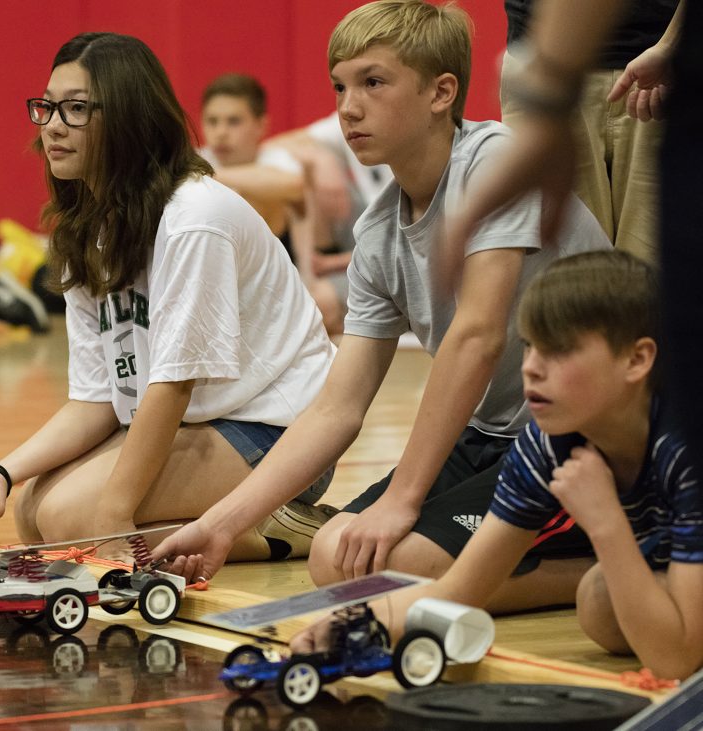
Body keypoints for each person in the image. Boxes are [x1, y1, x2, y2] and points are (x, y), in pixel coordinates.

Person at [154, 0, 609, 595]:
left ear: (441, 92)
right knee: (333, 555)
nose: (348, 107)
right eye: (339, 86)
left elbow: (476, 338)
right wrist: (220, 524)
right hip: (489, 436)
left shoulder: (491, 161)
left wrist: (403, 498)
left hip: (584, 433)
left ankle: (621, 570)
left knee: (401, 567)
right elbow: (336, 409)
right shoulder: (377, 233)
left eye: (373, 82)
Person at [0, 32, 337, 555]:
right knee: (30, 512)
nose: (53, 126)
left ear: (129, 118)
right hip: (200, 423)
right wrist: (1, 472)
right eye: (48, 107)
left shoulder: (193, 218)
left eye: (77, 109)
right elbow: (95, 401)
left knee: (72, 520)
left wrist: (114, 521)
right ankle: (240, 521)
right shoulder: (91, 230)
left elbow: (173, 386)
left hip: (282, 433)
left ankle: (278, 529)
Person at [292, 251, 703, 681]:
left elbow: (675, 663)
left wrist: (605, 523)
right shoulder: (546, 444)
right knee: (600, 604)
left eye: (559, 350)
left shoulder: (684, 448)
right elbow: (456, 591)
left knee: (621, 609)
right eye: (529, 346)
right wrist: (352, 626)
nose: (531, 369)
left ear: (637, 360)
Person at [438, 0, 703, 469]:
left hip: (663, 62)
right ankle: (580, 473)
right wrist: (549, 89)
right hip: (548, 54)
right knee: (566, 301)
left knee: (663, 304)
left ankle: (653, 479)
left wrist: (672, 42)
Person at [500, 0, 678, 263]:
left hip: (660, 67)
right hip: (542, 61)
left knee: (657, 274)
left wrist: (672, 45)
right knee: (561, 275)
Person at [268, 111, 390, 336]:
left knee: (310, 307)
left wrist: (331, 264)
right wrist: (320, 158)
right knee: (309, 170)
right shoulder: (355, 117)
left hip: (392, 261)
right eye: (340, 92)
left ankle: (327, 300)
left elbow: (404, 249)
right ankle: (312, 281)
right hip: (357, 241)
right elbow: (276, 146)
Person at [198, 73, 304, 241]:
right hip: (211, 249)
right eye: (212, 121)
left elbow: (294, 185)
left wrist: (206, 174)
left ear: (261, 126)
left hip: (275, 248)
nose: (220, 132)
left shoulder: (274, 156)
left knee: (261, 199)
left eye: (233, 121)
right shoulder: (197, 157)